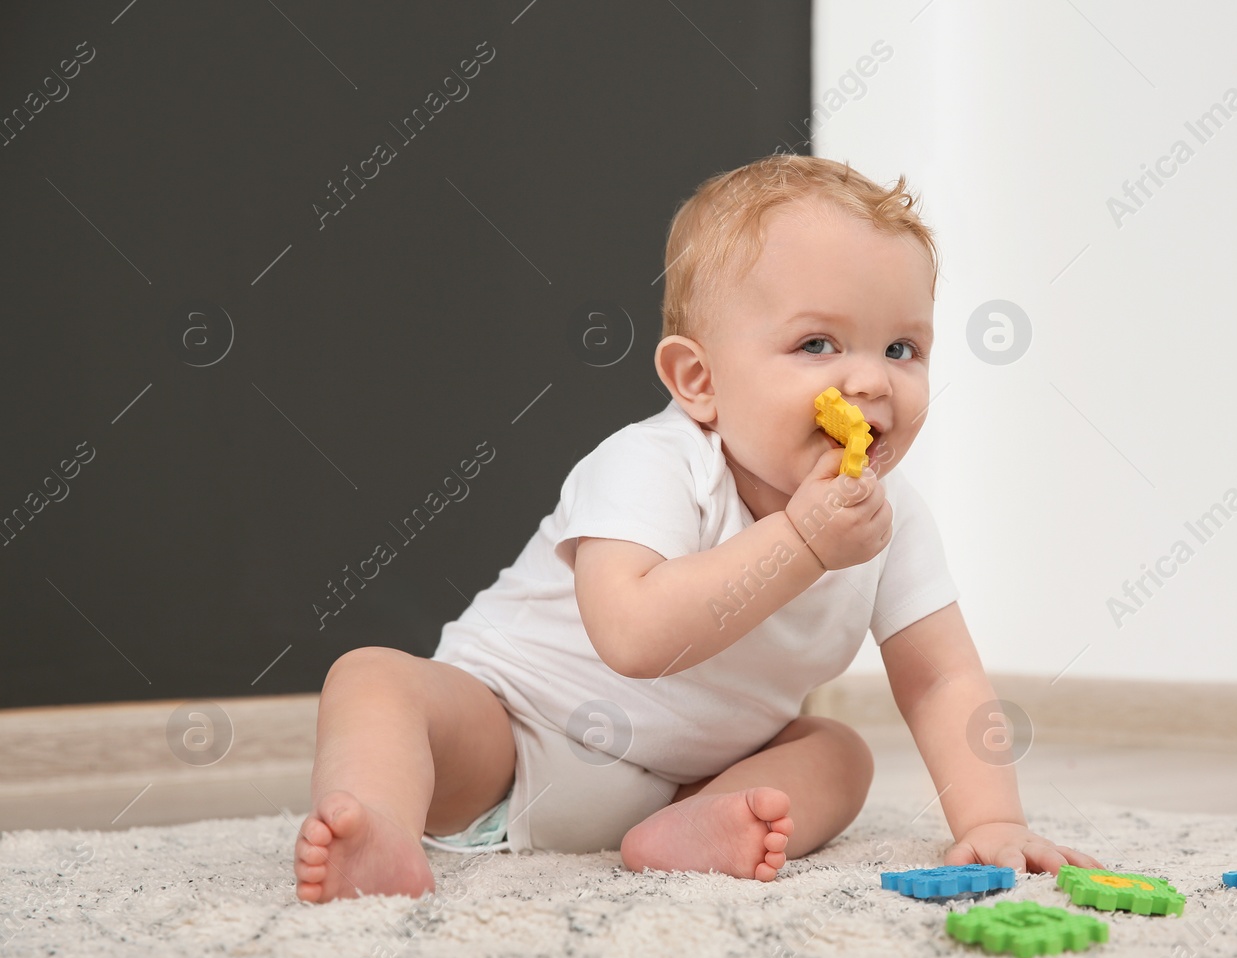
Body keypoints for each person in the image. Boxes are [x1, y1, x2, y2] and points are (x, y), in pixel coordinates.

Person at [293, 154, 1100, 902]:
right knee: (374, 676)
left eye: (902, 347)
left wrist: (990, 817)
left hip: (690, 774)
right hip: (511, 733)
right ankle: (380, 826)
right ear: (699, 380)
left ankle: (689, 829)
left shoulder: (894, 519)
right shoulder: (651, 464)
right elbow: (634, 636)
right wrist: (802, 543)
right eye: (817, 343)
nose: (869, 379)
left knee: (839, 754)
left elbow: (941, 680)